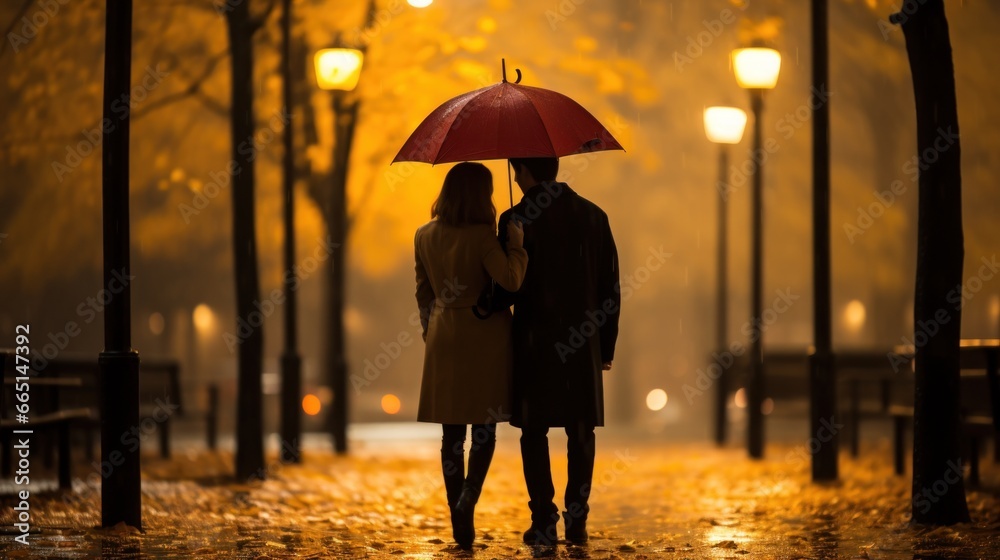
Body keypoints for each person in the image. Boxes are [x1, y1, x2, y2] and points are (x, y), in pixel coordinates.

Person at [497, 157, 620, 546]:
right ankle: (577, 518)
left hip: (533, 341)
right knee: (581, 431)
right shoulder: (594, 216)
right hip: (582, 342)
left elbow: (506, 290)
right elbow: (610, 290)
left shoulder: (515, 218)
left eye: (517, 170)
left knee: (533, 432)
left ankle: (544, 519)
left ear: (523, 171)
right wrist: (606, 346)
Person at [414, 161, 527, 550]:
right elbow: (511, 279)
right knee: (484, 428)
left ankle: (455, 510)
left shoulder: (424, 235)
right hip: (485, 336)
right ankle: (468, 499)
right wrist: (516, 247)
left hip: (445, 332)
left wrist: (433, 329)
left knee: (451, 433)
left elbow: (423, 292)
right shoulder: (483, 238)